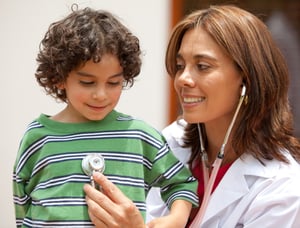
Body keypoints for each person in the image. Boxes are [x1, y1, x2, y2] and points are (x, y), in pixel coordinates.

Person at [85, 4, 300, 228]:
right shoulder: (169, 142)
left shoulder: (282, 189)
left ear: (246, 79)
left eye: (203, 66)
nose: (182, 79)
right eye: (180, 66)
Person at [12, 6, 199, 227]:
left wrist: (176, 219)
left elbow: (182, 184)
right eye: (87, 82)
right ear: (59, 78)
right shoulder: (37, 137)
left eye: (113, 83)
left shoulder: (139, 136)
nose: (101, 95)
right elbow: (22, 207)